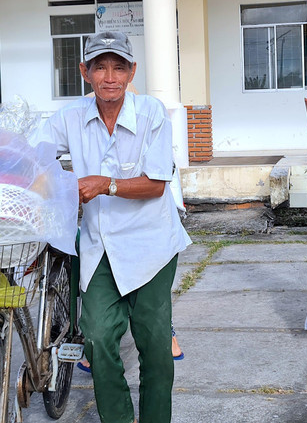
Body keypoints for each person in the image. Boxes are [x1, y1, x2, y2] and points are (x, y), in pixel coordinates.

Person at [30, 30, 191, 423]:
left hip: (151, 246)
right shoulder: (70, 117)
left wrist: (106, 184)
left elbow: (155, 185)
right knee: (99, 338)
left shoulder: (152, 113)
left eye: (119, 67)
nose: (109, 77)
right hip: (100, 248)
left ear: (132, 71)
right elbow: (33, 154)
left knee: (154, 346)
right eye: (100, 67)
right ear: (84, 72)